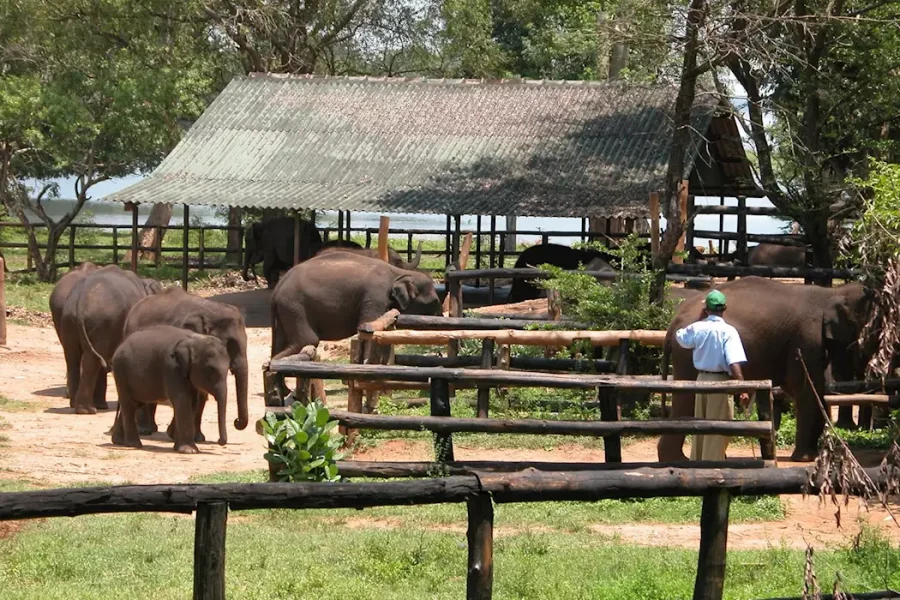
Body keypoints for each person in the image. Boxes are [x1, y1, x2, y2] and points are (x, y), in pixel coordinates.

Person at [675, 289, 750, 461]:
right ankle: (713, 465)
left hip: (701, 380)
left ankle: (698, 462)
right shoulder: (729, 331)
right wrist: (743, 389)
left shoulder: (697, 328)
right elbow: (734, 362)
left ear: (706, 309)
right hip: (720, 382)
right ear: (724, 309)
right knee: (721, 425)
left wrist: (699, 320)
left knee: (701, 424)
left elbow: (680, 337)